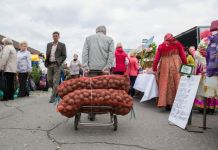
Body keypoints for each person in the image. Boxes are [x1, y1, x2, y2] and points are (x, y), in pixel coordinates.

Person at [82, 25, 114, 120]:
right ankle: (102, 109)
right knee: (102, 91)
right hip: (103, 70)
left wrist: (85, 66)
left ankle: (91, 113)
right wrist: (107, 67)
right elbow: (111, 54)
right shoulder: (110, 39)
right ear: (105, 32)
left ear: (96, 31)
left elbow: (85, 53)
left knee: (91, 92)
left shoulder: (88, 38)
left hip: (91, 69)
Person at [152, 33, 187, 110]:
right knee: (176, 83)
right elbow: (183, 56)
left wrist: (154, 68)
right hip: (176, 64)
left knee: (165, 84)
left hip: (164, 65)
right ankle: (177, 103)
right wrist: (186, 65)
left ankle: (166, 104)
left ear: (165, 38)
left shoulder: (161, 46)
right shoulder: (178, 44)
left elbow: (156, 59)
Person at [189, 29, 218, 114]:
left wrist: (192, 50)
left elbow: (197, 55)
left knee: (203, 89)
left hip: (204, 72)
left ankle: (204, 107)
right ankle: (211, 108)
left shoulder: (202, 45)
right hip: (213, 71)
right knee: (212, 88)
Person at [45, 31, 66, 103]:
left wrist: (59, 62)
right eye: (54, 36)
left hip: (57, 65)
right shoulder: (48, 45)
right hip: (49, 64)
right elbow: (47, 54)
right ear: (52, 37)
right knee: (49, 80)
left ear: (59, 37)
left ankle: (52, 97)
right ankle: (57, 90)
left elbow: (64, 55)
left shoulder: (62, 45)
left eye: (56, 36)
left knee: (55, 81)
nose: (55, 37)